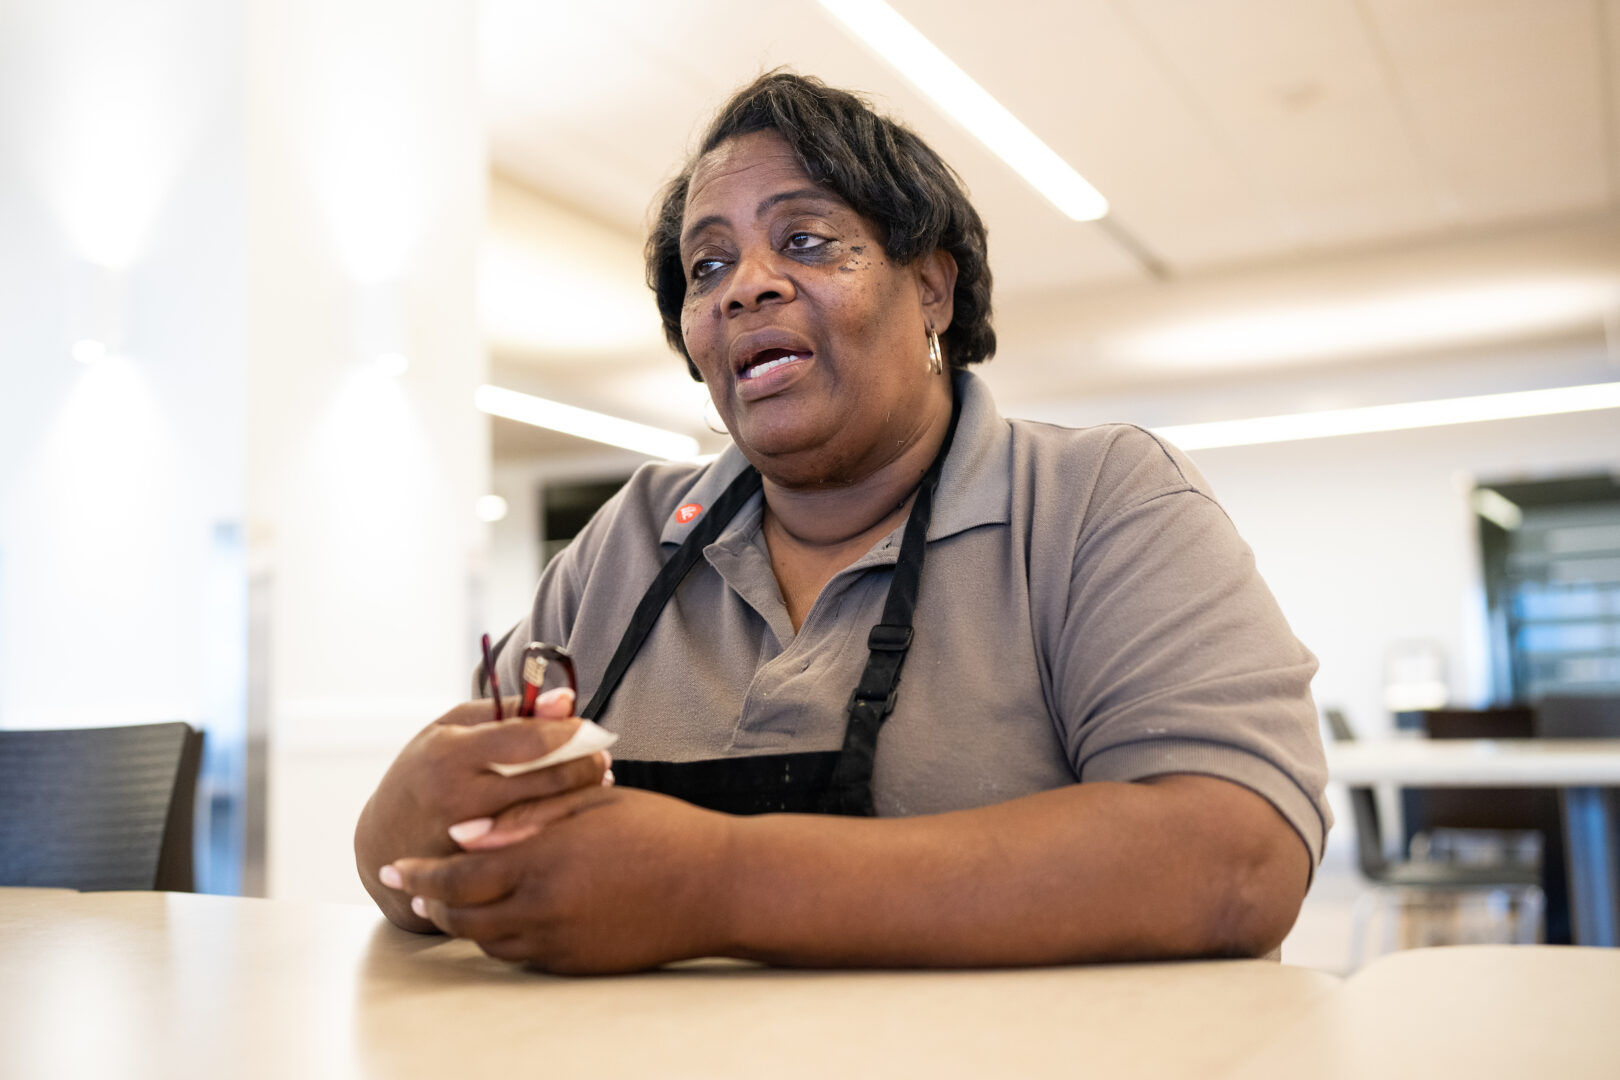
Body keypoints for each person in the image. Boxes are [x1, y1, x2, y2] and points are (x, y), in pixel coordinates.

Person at [355, 72, 1331, 975]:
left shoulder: (1098, 502)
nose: (747, 284)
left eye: (808, 240)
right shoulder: (631, 539)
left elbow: (1238, 857)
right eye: (707, 265)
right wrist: (397, 828)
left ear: (932, 289)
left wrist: (719, 883)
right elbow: (445, 850)